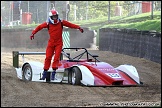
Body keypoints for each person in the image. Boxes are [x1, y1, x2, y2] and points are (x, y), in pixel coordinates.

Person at [30, 9, 84, 80]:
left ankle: (54, 73)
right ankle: (45, 73)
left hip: (59, 43)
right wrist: (33, 33)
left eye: (56, 16)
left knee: (56, 58)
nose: (55, 18)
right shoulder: (47, 24)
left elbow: (70, 24)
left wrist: (78, 27)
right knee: (48, 57)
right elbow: (39, 27)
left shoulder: (61, 22)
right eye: (54, 17)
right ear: (51, 17)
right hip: (51, 43)